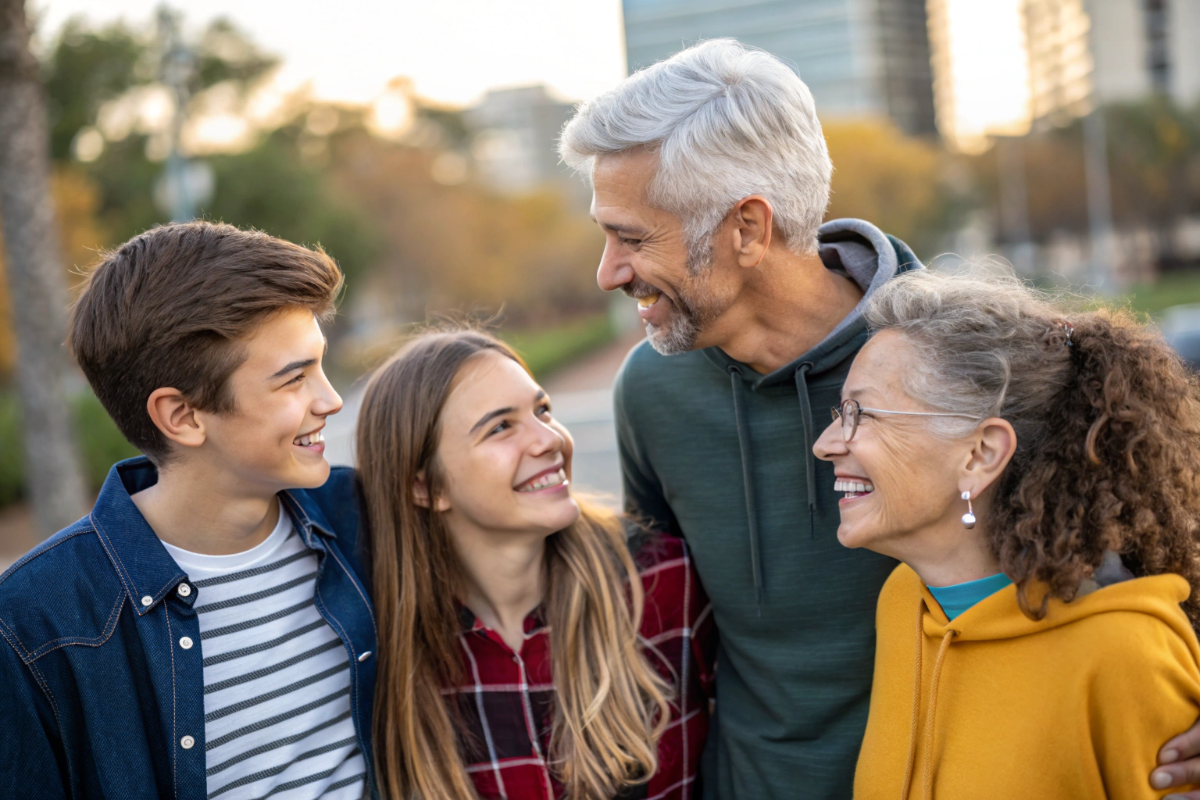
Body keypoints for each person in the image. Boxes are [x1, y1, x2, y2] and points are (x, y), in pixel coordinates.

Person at [558, 37, 1200, 798]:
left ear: (748, 228)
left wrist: (1176, 692)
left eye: (633, 238)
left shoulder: (969, 362)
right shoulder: (650, 389)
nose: (607, 272)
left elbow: (1153, 537)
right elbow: (661, 617)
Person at [0, 222, 376, 800]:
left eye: (320, 366)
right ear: (182, 417)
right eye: (294, 379)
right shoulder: (34, 624)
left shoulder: (363, 519)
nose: (331, 399)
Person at [812, 268, 1200, 798]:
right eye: (841, 412)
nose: (826, 443)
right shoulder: (903, 604)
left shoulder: (1125, 655)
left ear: (980, 454)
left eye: (861, 414)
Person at [356, 328, 714, 800]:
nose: (549, 439)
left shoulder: (662, 580)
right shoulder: (386, 657)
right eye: (500, 427)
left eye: (542, 410)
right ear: (424, 487)